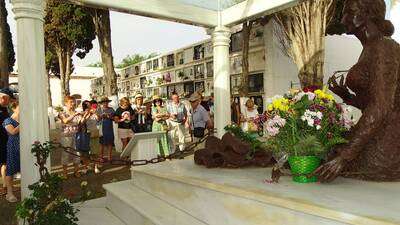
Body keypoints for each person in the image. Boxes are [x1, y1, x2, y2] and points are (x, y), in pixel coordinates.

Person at [314, 0, 400, 182]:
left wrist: (344, 156)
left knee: (327, 154)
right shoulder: (370, 48)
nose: (343, 18)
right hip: (378, 132)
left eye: (348, 12)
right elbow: (373, 104)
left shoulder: (384, 47)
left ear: (365, 15)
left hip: (385, 144)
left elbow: (382, 108)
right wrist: (347, 96)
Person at [58, 96, 81, 178]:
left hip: (76, 135)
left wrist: (85, 115)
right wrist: (74, 115)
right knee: (66, 154)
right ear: (66, 103)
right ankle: (65, 173)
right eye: (71, 102)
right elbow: (65, 121)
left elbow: (79, 122)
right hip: (66, 136)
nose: (73, 103)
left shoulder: (75, 112)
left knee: (77, 154)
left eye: (73, 102)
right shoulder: (62, 112)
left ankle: (76, 171)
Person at [75, 100, 98, 174]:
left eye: (89, 105)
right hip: (85, 134)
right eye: (86, 105)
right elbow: (81, 123)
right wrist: (86, 115)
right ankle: (86, 167)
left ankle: (96, 167)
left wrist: (95, 113)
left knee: (94, 152)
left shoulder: (94, 112)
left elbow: (98, 119)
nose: (88, 107)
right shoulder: (82, 114)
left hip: (94, 133)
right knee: (85, 153)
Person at [3, 101, 19, 202]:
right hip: (13, 147)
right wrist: (24, 124)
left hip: (24, 146)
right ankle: (9, 193)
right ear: (14, 108)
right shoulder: (7, 120)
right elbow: (12, 132)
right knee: (11, 170)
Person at [96, 97, 115, 162]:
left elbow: (115, 118)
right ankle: (101, 157)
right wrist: (101, 116)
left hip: (109, 127)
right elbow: (97, 119)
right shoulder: (99, 109)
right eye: (104, 102)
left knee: (110, 142)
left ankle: (109, 156)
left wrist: (109, 116)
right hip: (102, 127)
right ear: (102, 103)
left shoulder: (111, 109)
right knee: (102, 143)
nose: (105, 103)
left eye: (106, 102)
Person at [0, 88, 11, 195]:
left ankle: (5, 185)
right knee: (3, 163)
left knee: (4, 163)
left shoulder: (5, 109)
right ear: (3, 98)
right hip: (1, 141)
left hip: (5, 140)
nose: (9, 101)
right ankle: (4, 186)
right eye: (8, 99)